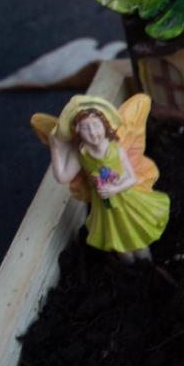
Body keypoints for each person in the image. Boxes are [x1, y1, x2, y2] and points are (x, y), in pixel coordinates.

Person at [33, 95, 170, 263]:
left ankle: (147, 265)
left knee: (137, 238)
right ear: (77, 131)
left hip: (127, 200)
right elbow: (62, 176)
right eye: (86, 128)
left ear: (105, 125)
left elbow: (131, 178)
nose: (93, 132)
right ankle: (130, 270)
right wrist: (55, 147)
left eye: (96, 125)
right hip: (104, 206)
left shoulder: (116, 149)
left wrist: (114, 188)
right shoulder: (80, 154)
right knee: (118, 240)